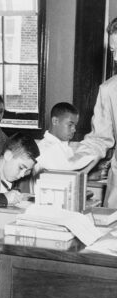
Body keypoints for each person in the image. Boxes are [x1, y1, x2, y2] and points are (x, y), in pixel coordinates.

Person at [76, 17, 117, 207]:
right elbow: (99, 139)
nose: (115, 58)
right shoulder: (108, 90)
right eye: (113, 51)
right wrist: (73, 162)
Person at [34, 102, 94, 172]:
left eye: (75, 125)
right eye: (70, 125)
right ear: (55, 121)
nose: (74, 129)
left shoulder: (65, 146)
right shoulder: (44, 149)